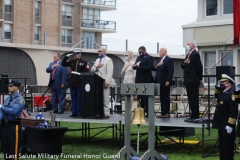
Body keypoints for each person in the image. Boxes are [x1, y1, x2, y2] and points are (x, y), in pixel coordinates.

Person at [212, 74, 238, 160]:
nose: (222, 84)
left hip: (227, 124)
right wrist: (217, 86)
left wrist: (230, 125)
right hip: (221, 124)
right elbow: (216, 95)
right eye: (221, 82)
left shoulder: (231, 94)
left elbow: (234, 112)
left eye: (224, 83)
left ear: (229, 84)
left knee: (227, 147)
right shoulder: (223, 93)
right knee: (222, 146)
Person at [0, 80, 25, 160]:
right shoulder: (7, 99)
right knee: (5, 148)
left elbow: (14, 111)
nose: (8, 88)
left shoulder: (20, 99)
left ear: (16, 87)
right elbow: (2, 113)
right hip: (5, 125)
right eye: (8, 86)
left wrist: (1, 107)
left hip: (14, 126)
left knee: (13, 148)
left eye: (11, 86)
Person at [62, 49, 89, 117]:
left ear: (80, 54)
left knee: (79, 97)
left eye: (78, 54)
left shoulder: (84, 62)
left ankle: (79, 112)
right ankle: (74, 112)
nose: (76, 55)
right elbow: (63, 64)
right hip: (72, 81)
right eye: (75, 54)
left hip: (79, 81)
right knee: (73, 97)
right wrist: (66, 56)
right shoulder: (72, 61)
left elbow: (86, 71)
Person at [181, 40, 203, 122]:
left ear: (193, 46)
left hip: (193, 80)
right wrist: (184, 62)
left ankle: (195, 115)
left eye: (188, 44)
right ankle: (192, 114)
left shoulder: (195, 54)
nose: (187, 46)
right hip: (188, 80)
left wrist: (200, 78)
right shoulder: (188, 54)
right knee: (190, 98)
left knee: (194, 98)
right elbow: (182, 66)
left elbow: (199, 67)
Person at [91, 47, 116, 119]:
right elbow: (92, 70)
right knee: (98, 97)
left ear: (104, 52)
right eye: (98, 51)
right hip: (97, 81)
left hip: (104, 81)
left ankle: (106, 113)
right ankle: (98, 112)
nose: (98, 52)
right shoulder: (97, 60)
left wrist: (107, 82)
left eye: (100, 51)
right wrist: (97, 66)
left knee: (105, 97)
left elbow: (110, 72)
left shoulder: (108, 60)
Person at [152, 47, 174, 118]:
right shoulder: (159, 60)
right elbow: (153, 68)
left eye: (161, 51)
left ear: (165, 52)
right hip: (159, 81)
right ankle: (163, 112)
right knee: (161, 97)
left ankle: (167, 112)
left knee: (165, 97)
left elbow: (170, 72)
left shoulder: (169, 60)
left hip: (165, 81)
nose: (159, 52)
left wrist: (168, 80)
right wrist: (156, 65)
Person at [133, 46, 154, 117]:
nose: (140, 53)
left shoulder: (149, 58)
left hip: (146, 80)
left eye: (141, 52)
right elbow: (135, 65)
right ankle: (141, 112)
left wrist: (140, 67)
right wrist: (135, 66)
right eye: (139, 52)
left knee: (146, 97)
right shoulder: (139, 58)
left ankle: (148, 112)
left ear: (144, 51)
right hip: (139, 79)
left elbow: (149, 67)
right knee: (139, 97)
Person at [121, 50, 136, 116]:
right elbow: (122, 72)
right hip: (125, 79)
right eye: (125, 55)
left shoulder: (133, 63)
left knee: (131, 95)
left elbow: (134, 74)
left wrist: (134, 82)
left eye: (126, 55)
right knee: (126, 95)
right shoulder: (126, 63)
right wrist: (126, 67)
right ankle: (126, 110)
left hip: (131, 79)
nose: (125, 57)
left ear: (130, 56)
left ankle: (129, 110)